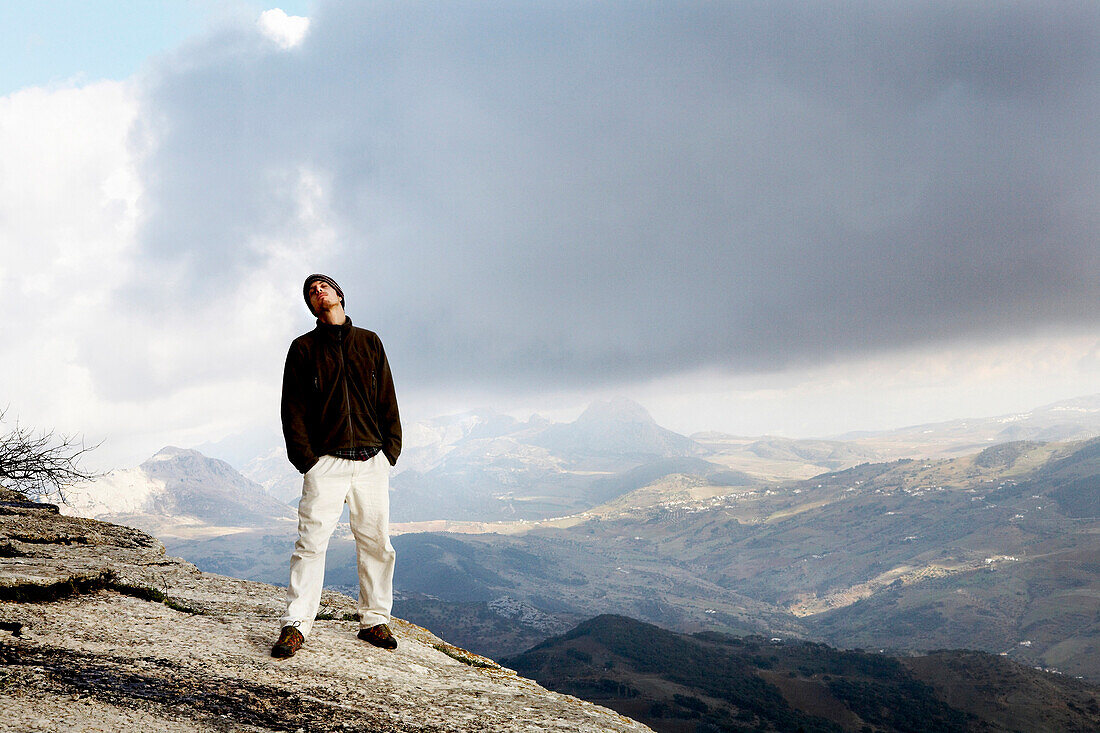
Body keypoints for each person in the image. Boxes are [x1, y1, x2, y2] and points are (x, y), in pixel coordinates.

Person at [272, 274, 402, 658]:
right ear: (311, 307)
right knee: (310, 544)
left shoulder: (370, 342)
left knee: (377, 543)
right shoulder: (302, 349)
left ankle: (374, 620)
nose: (317, 291)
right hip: (325, 463)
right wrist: (307, 462)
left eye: (323, 286)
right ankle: (296, 625)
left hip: (372, 461)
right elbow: (291, 410)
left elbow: (388, 399)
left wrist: (390, 450)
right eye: (310, 291)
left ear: (340, 295)